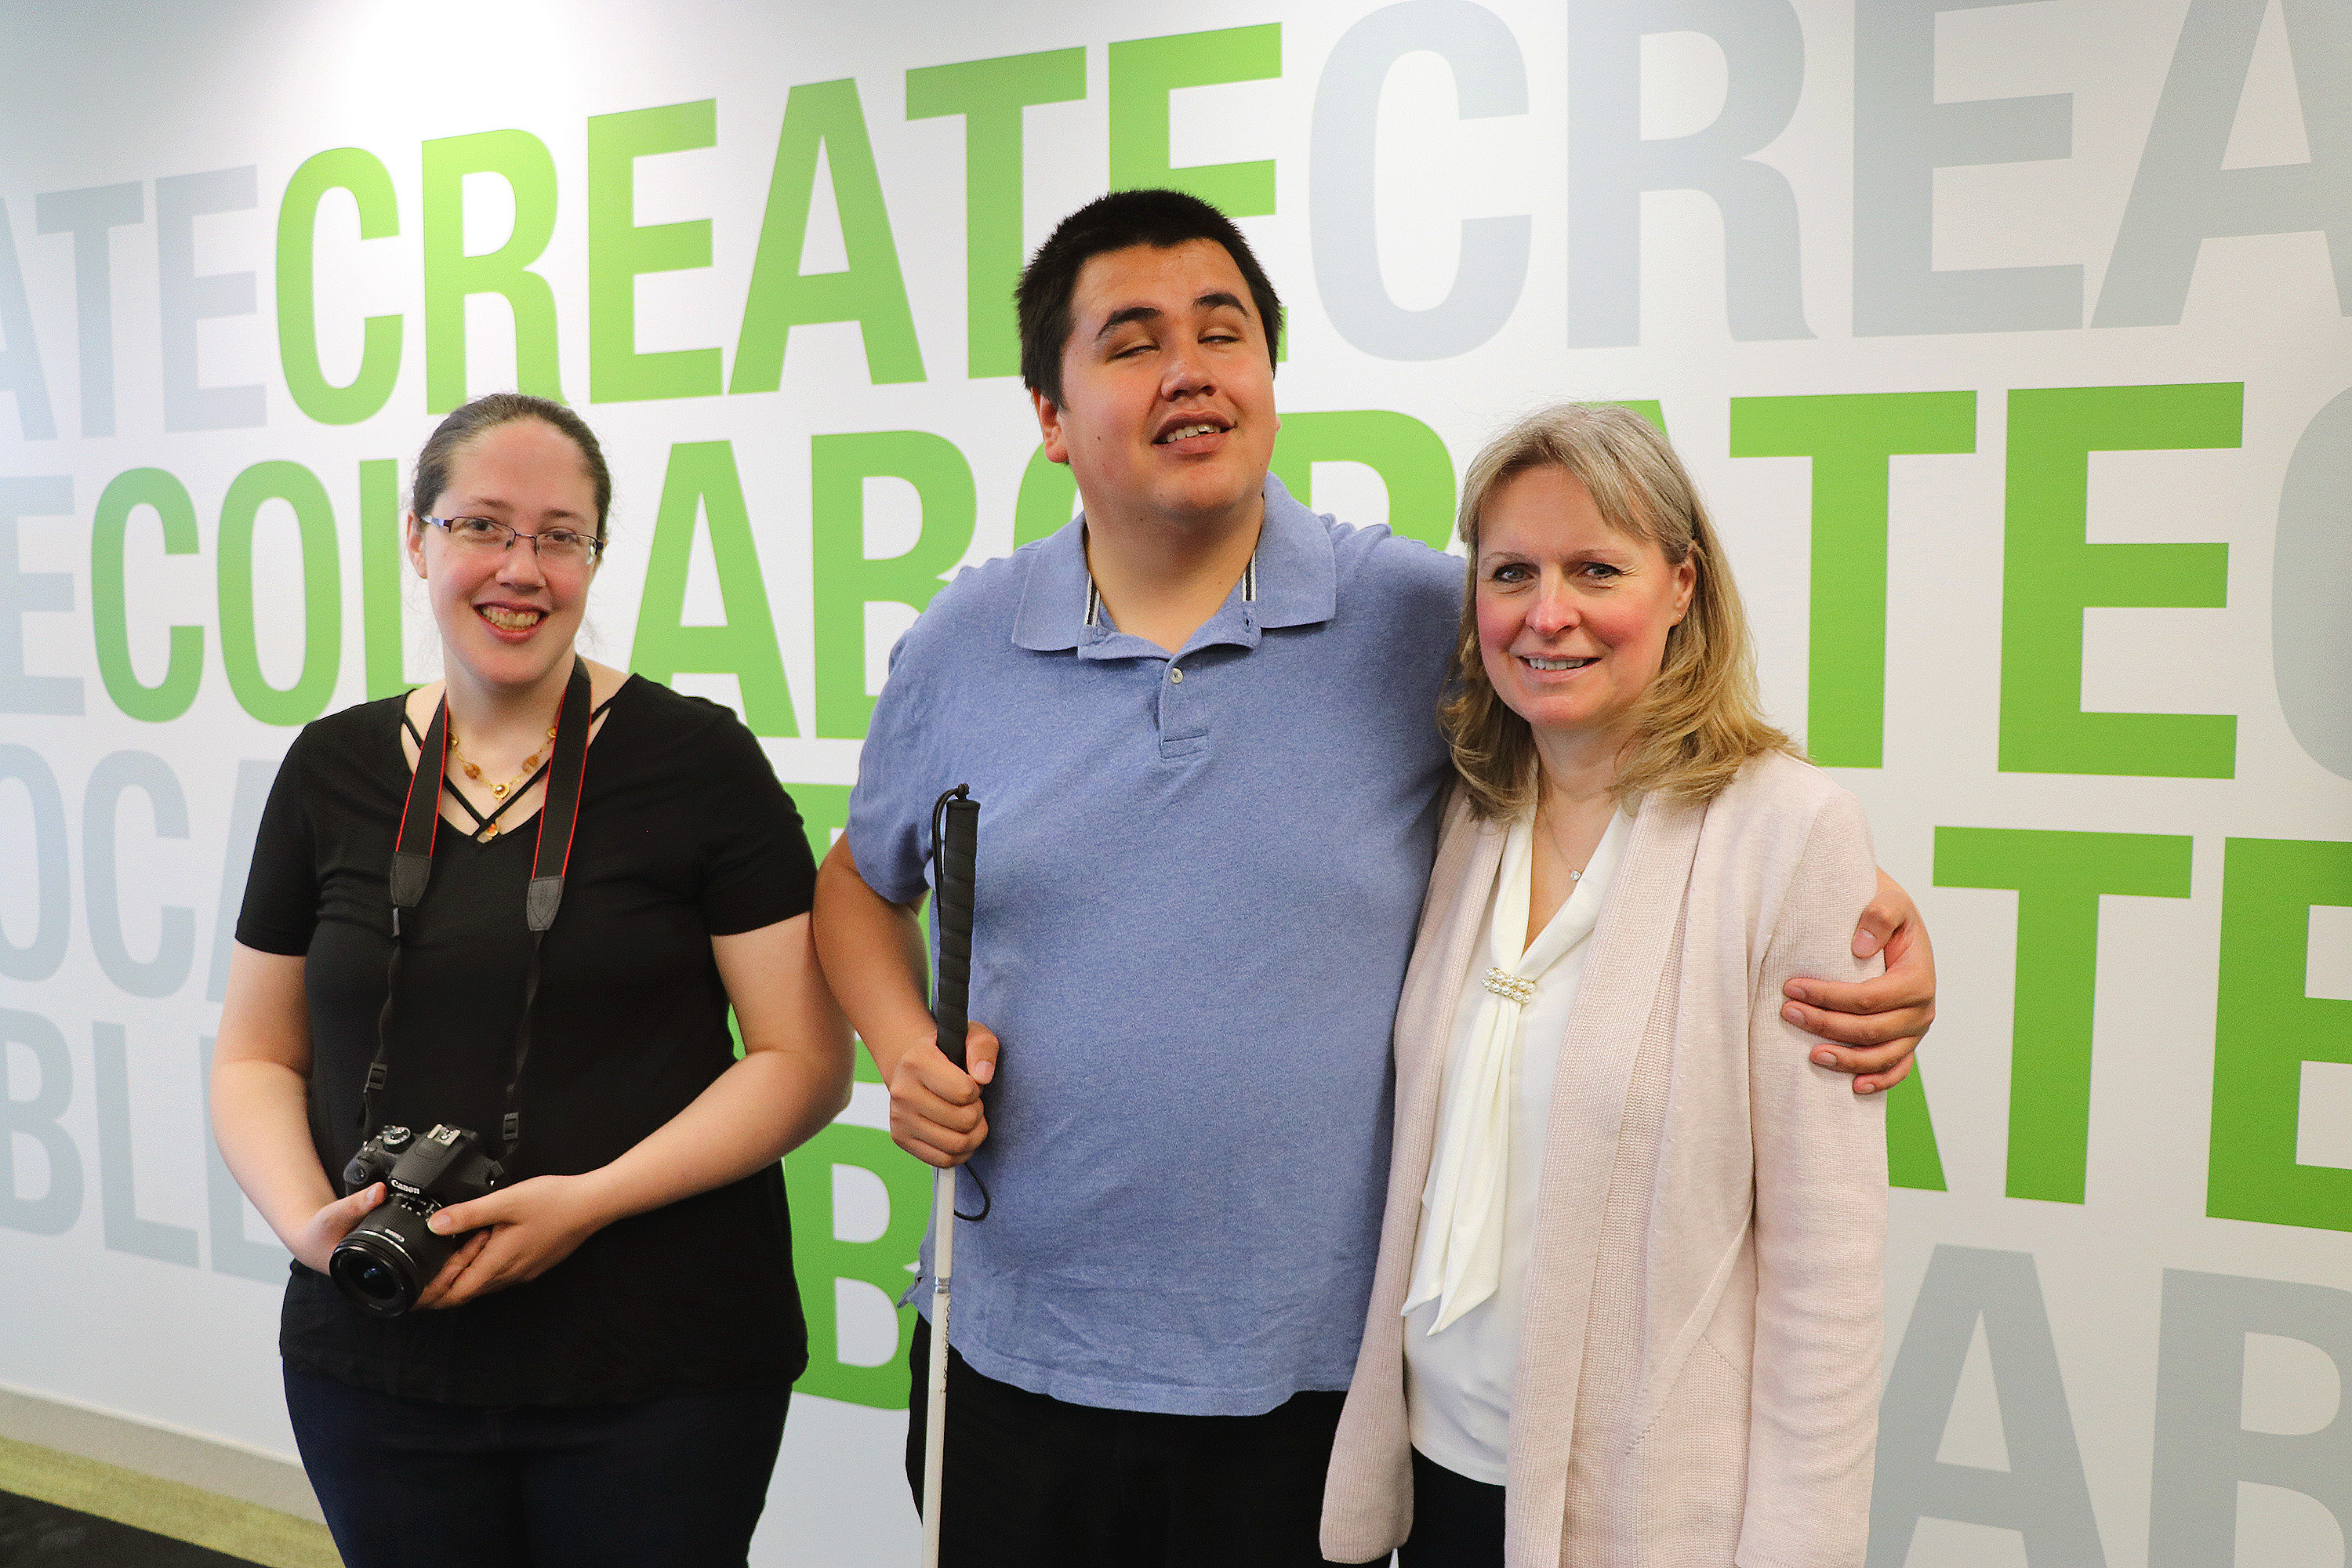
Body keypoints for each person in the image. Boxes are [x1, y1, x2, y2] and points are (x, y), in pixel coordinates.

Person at [811, 189, 1929, 1566]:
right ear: (1049, 416)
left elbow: (1633, 740)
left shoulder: (1420, 618)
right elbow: (859, 885)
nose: (1189, 370)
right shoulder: (963, 639)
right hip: (1010, 1350)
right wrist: (900, 1044)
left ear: (1269, 378)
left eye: (1224, 331)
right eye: (1133, 341)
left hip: (1317, 1395)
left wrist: (1861, 908)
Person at [211, 394, 851, 1567]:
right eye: (482, 527)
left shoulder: (699, 762)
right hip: (381, 1357)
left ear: (596, 556)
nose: (523, 568)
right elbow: (257, 1055)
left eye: (561, 535)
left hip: (659, 1368)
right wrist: (312, 1229)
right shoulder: (332, 768)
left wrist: (590, 1200)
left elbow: (804, 1063)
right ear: (418, 539)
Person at [1319, 405, 1886, 1566]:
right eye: (1512, 571)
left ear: (1681, 585)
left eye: (1596, 569)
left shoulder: (1789, 834)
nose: (1548, 613)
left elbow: (1827, 1277)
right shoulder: (1469, 815)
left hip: (1643, 1525)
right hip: (1436, 1488)